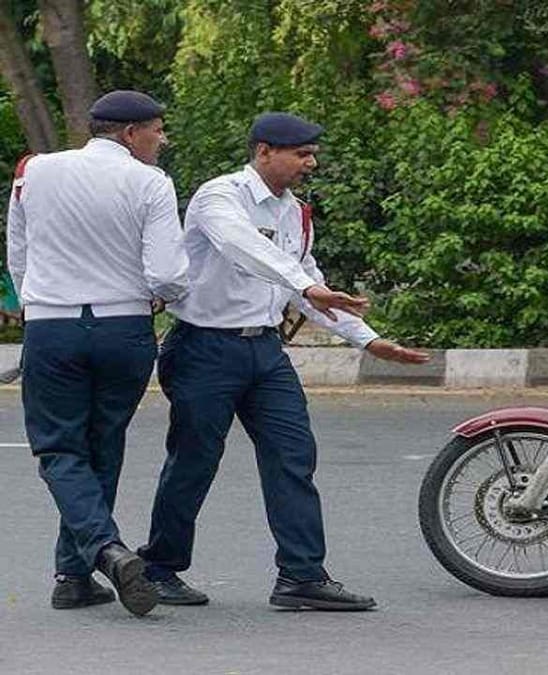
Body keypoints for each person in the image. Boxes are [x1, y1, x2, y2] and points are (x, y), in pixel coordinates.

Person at [136, 112, 430, 610]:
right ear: (265, 151)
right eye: (301, 154)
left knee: (293, 456)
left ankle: (301, 576)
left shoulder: (294, 212)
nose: (310, 163)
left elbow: (307, 280)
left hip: (264, 352)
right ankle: (160, 568)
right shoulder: (220, 195)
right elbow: (243, 248)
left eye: (312, 154)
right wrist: (305, 285)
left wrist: (367, 340)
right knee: (194, 460)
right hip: (204, 348)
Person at [7, 90, 189, 616]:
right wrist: (162, 296)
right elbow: (167, 274)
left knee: (61, 449)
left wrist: (34, 303)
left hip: (54, 326)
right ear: (130, 134)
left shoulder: (34, 170)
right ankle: (75, 574)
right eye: (157, 129)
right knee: (103, 444)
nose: (162, 139)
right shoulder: (150, 182)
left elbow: (18, 252)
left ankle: (100, 554)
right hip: (123, 327)